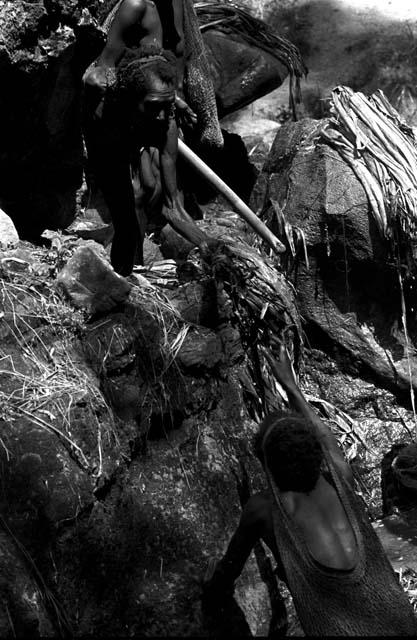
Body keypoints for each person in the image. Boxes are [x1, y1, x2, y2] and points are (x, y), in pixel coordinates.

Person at [203, 343, 417, 636]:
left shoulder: (264, 510)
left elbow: (229, 570)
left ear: (268, 466)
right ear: (316, 455)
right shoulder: (340, 476)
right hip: (401, 622)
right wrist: (291, 387)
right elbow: (324, 434)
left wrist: (210, 595)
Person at [82, 45, 214, 276]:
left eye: (167, 106)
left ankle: (129, 271)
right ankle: (123, 275)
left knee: (150, 188)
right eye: (154, 106)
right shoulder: (109, 113)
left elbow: (172, 206)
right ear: (131, 99)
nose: (161, 115)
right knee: (130, 210)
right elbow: (93, 78)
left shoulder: (165, 123)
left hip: (133, 129)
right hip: (106, 138)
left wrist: (206, 244)